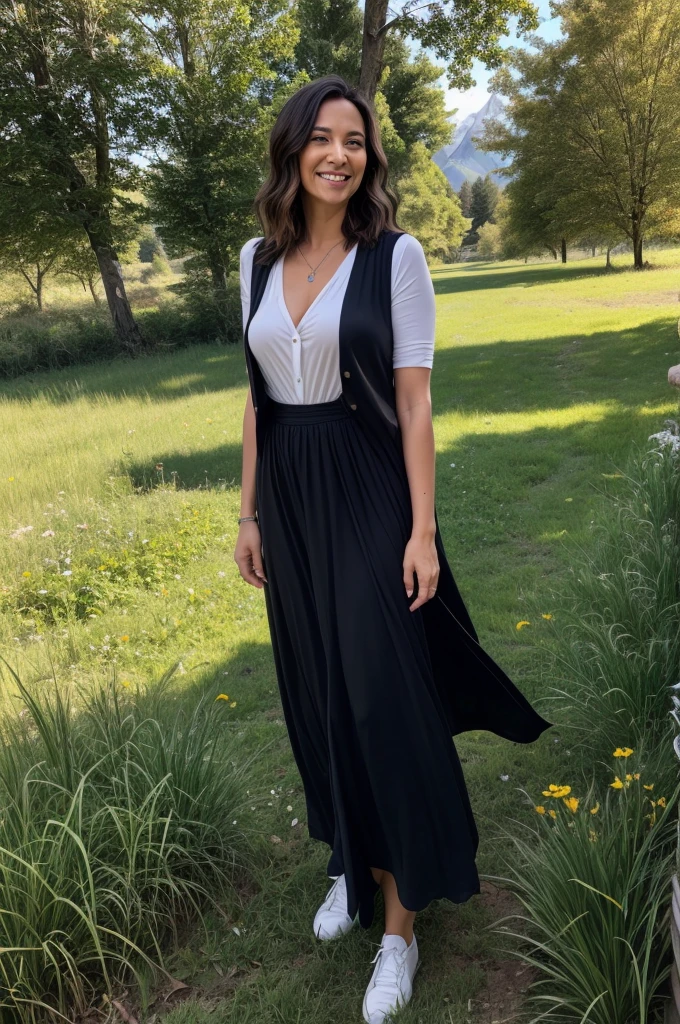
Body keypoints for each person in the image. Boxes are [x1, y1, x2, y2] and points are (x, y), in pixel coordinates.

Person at [234, 74, 552, 1024]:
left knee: (385, 697)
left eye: (357, 142)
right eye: (323, 138)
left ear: (370, 157)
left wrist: (421, 532)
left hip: (371, 492)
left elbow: (414, 404)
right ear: (293, 149)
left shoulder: (396, 256)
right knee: (318, 686)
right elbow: (253, 400)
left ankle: (401, 931)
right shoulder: (253, 259)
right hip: (287, 499)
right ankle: (348, 862)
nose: (341, 154)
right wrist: (247, 515)